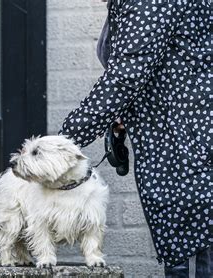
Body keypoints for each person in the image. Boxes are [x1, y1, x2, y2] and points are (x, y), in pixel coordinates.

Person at [60, 0, 211, 277]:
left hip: (187, 141)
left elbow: (126, 74)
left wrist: (62, 143)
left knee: (191, 253)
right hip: (179, 136)